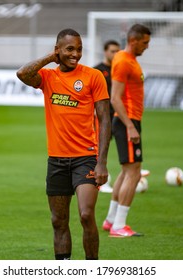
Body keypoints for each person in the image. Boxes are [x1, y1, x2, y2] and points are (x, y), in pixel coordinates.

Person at [16, 28, 111, 260]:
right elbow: (22, 73)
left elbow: (105, 119)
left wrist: (102, 163)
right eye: (70, 49)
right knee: (59, 221)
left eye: (79, 49)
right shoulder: (48, 78)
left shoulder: (93, 76)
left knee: (86, 215)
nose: (76, 54)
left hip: (86, 158)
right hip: (57, 160)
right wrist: (50, 58)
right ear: (58, 50)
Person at [102, 24, 151, 237]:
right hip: (126, 121)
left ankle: (111, 220)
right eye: (145, 43)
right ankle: (119, 226)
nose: (147, 47)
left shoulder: (128, 60)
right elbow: (115, 98)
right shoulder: (123, 61)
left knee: (126, 171)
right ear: (134, 40)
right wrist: (130, 126)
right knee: (134, 172)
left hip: (128, 121)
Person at [94, 40, 120, 193]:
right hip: (102, 117)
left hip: (118, 115)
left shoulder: (119, 69)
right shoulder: (97, 71)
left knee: (123, 146)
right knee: (100, 149)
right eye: (112, 51)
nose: (115, 54)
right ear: (105, 51)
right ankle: (100, 180)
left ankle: (132, 174)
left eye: (118, 51)